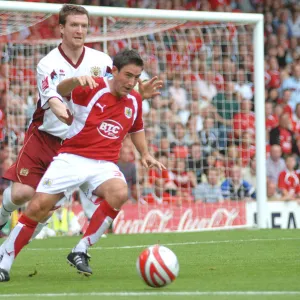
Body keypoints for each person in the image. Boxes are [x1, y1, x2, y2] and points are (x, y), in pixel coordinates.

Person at [0, 48, 165, 282]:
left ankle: (81, 249)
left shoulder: (135, 100)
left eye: (136, 77)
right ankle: (5, 258)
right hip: (73, 157)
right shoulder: (93, 87)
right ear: (114, 71)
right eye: (128, 75)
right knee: (38, 207)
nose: (132, 82)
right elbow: (60, 90)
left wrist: (146, 153)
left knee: (119, 192)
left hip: (103, 164)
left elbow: (137, 128)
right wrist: (75, 80)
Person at [0, 4, 162, 237]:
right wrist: (66, 116)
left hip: (82, 143)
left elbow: (117, 90)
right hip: (46, 135)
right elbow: (53, 98)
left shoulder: (102, 61)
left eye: (84, 26)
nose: (79, 30)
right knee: (21, 194)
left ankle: (78, 233)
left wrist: (138, 92)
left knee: (48, 205)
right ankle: (3, 215)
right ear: (61, 29)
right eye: (74, 25)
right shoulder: (48, 63)